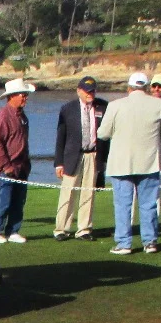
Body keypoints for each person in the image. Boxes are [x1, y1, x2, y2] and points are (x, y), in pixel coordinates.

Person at [98, 71, 161, 255]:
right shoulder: (160, 104)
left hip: (122, 163)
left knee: (123, 205)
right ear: (146, 88)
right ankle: (150, 242)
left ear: (129, 88)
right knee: (148, 204)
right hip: (149, 161)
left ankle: (124, 243)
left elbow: (103, 133)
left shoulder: (115, 106)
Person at [53, 77, 106, 241]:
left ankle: (84, 229)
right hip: (72, 156)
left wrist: (103, 161)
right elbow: (60, 137)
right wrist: (58, 163)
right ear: (79, 91)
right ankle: (62, 229)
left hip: (93, 154)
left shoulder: (103, 106)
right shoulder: (67, 109)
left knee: (88, 193)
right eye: (87, 90)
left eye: (92, 90)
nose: (90, 93)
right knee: (68, 193)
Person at [0, 78, 34, 244]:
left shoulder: (23, 117)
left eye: (26, 94)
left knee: (18, 201)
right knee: (4, 201)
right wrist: (6, 165)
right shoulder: (2, 116)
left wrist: (26, 164)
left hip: (21, 167)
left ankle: (13, 231)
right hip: (5, 168)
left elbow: (23, 142)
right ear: (12, 96)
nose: (25, 98)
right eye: (23, 94)